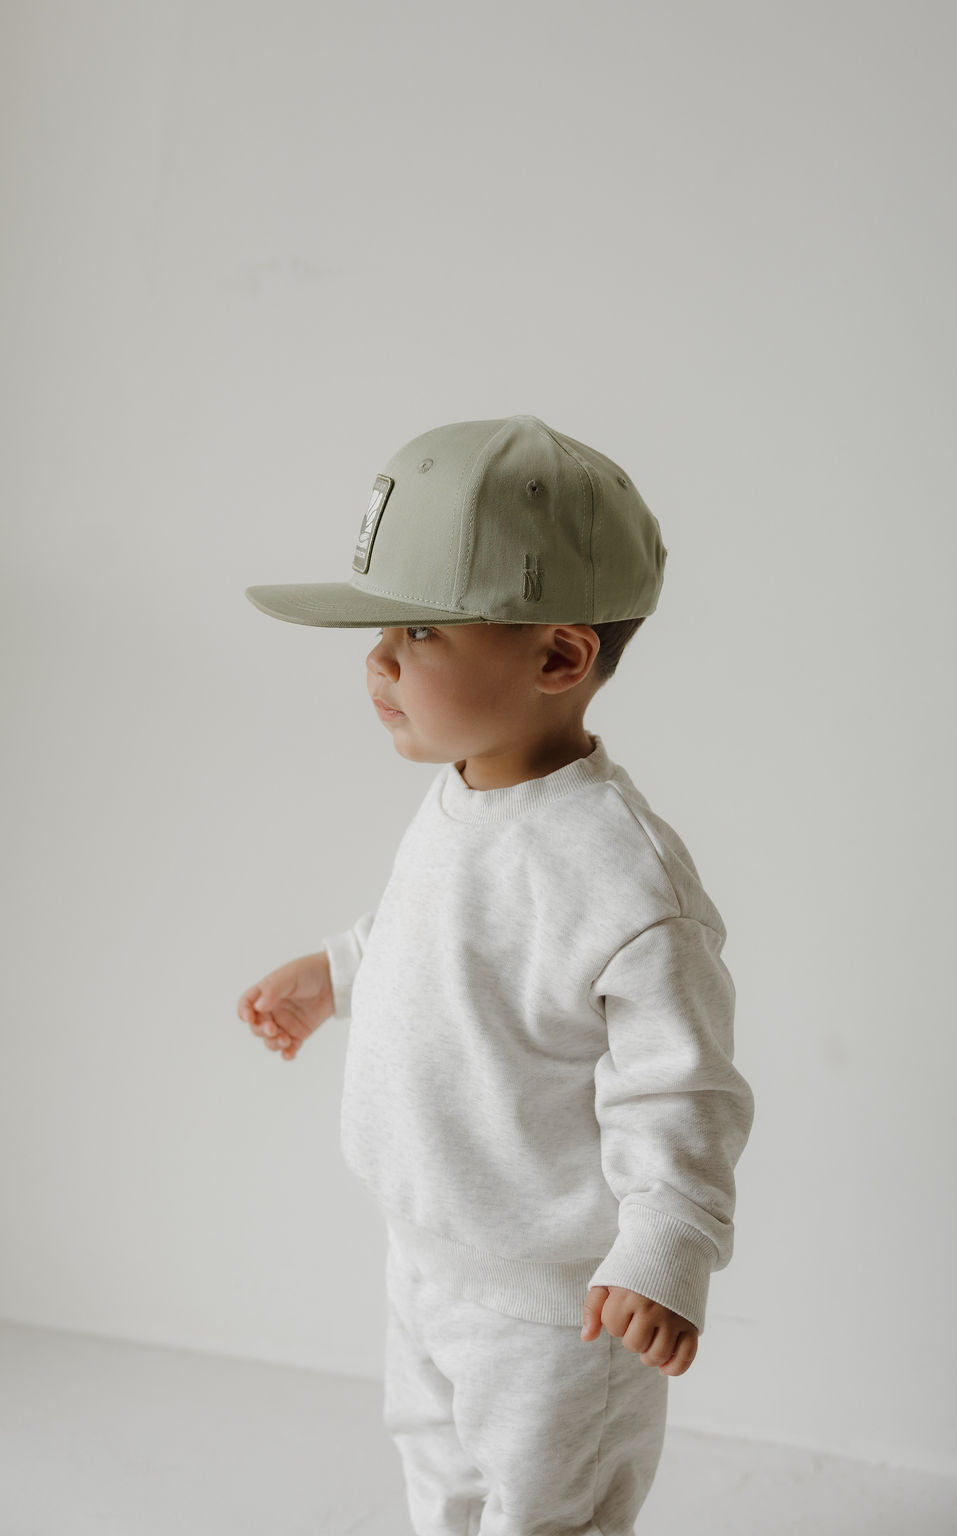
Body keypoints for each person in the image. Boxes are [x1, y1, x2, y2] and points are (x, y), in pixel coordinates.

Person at [237, 414, 755, 1536]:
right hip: (426, 1258)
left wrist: (662, 1248)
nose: (376, 660)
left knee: (544, 1506)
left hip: (559, 1308)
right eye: (378, 628)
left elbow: (683, 1085)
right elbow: (428, 939)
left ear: (559, 657)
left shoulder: (624, 879)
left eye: (418, 628)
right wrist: (334, 973)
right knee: (438, 1472)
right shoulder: (461, 793)